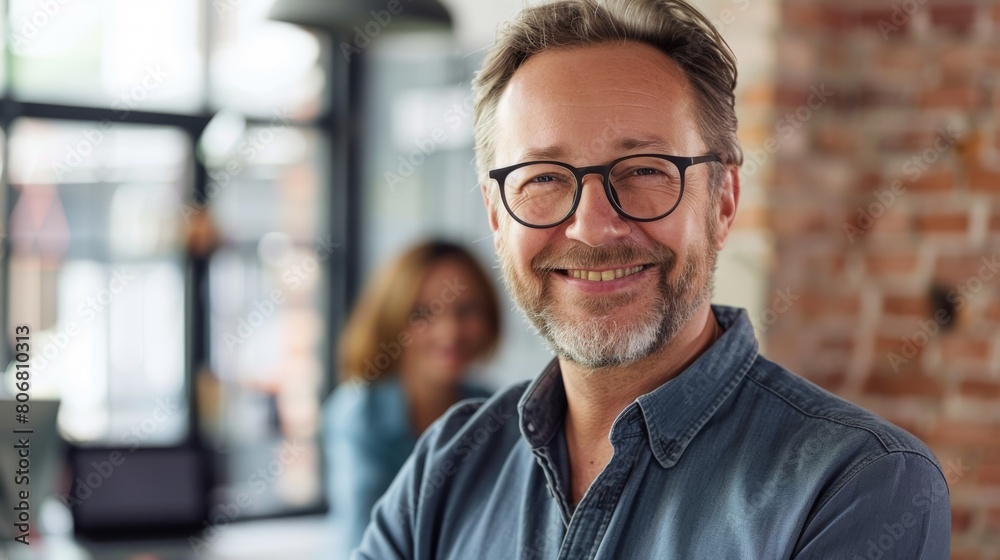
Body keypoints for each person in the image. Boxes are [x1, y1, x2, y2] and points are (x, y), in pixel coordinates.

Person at [354, 0, 951, 558]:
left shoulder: (860, 483)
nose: (591, 228)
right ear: (495, 214)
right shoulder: (445, 467)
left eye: (643, 170)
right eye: (542, 178)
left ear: (723, 201)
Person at [322, 240, 500, 559]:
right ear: (391, 319)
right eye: (422, 313)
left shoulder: (494, 407)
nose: (449, 332)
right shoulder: (360, 413)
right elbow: (364, 542)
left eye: (466, 310)